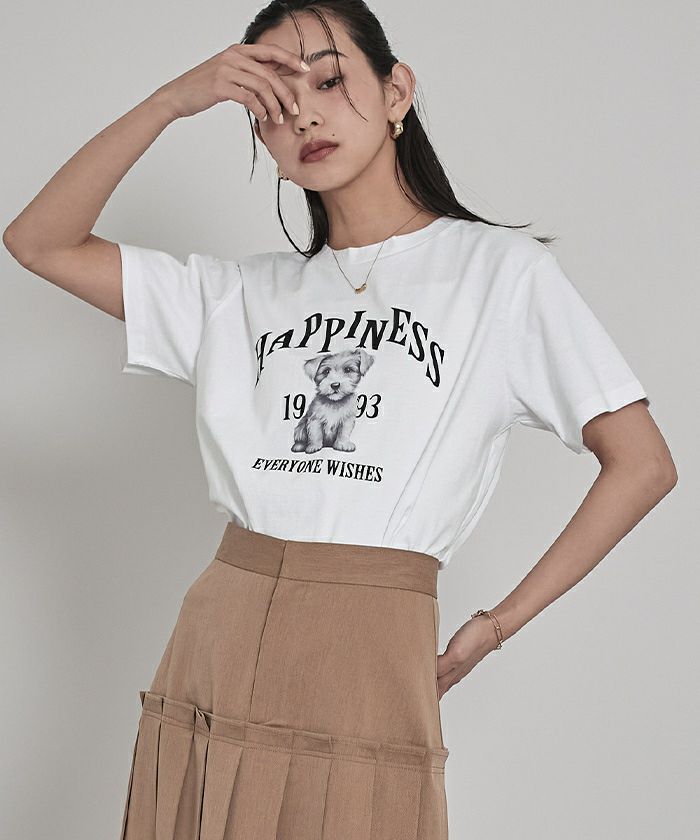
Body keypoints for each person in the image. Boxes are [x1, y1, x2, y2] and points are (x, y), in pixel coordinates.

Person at [3, 2, 677, 838]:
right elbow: (38, 241)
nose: (305, 116)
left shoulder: (498, 273)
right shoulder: (239, 294)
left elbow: (643, 464)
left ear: (397, 92)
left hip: (372, 635)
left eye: (327, 81)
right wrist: (176, 100)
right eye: (273, 105)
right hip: (222, 625)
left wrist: (493, 628)